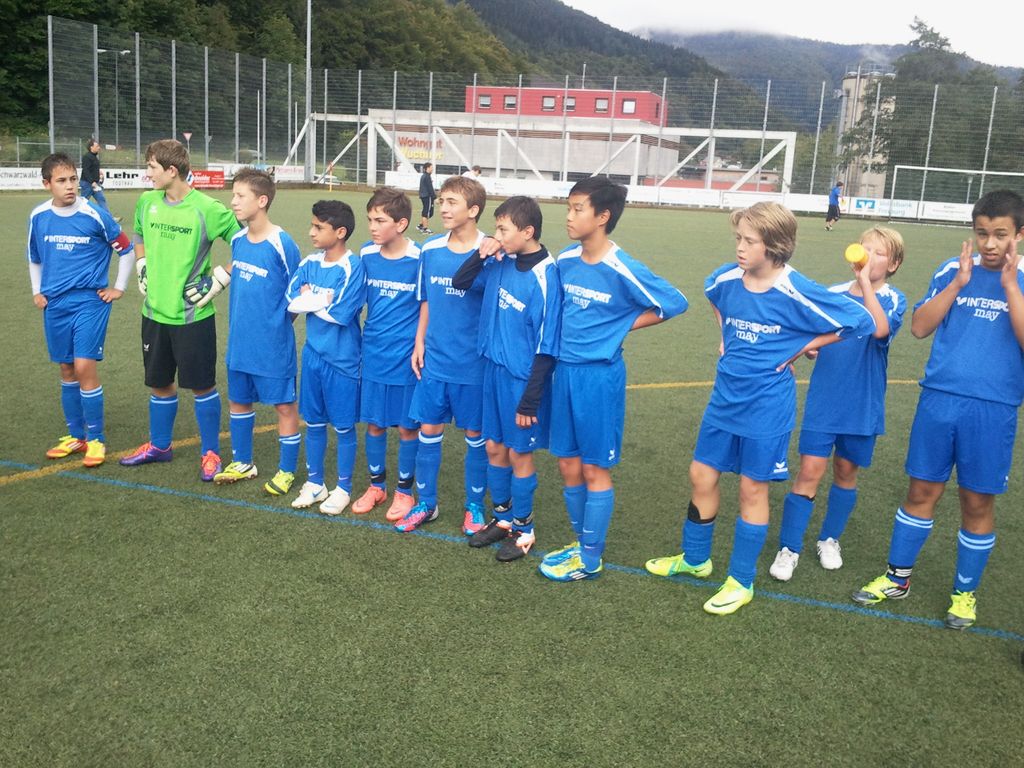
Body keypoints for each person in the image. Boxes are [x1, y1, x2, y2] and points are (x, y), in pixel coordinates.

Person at [644, 202, 875, 613]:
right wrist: (725, 334)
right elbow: (712, 291)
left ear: (775, 246)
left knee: (753, 487)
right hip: (724, 400)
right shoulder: (726, 280)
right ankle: (696, 561)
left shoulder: (795, 289)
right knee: (701, 473)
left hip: (767, 407)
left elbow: (858, 321)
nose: (740, 247)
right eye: (738, 238)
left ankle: (741, 581)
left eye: (749, 241)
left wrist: (805, 344)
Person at [852, 190, 1024, 630]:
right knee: (921, 491)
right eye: (982, 233)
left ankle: (964, 594)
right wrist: (957, 285)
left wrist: (1008, 286)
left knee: (976, 501)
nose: (989, 244)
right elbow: (920, 327)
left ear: (1019, 235)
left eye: (1000, 235)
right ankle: (897, 579)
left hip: (993, 408)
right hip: (939, 400)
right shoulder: (953, 270)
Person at [540, 177, 688, 582]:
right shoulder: (566, 261)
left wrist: (620, 328)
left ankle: (591, 557)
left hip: (599, 378)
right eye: (568, 208)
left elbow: (674, 302)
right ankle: (579, 541)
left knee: (593, 470)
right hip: (564, 375)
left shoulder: (621, 266)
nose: (569, 217)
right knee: (568, 465)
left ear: (602, 216)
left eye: (578, 209)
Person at [768, 227, 906, 581]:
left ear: (893, 264)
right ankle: (789, 548)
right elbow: (809, 330)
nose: (868, 256)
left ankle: (829, 539)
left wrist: (864, 287)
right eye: (864, 248)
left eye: (878, 253)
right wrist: (809, 346)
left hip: (862, 406)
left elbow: (879, 329)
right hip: (824, 403)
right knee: (809, 472)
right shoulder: (831, 294)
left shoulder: (892, 299)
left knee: (846, 473)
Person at [119, 139, 240, 480]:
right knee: (159, 383)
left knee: (202, 385)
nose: (147, 174)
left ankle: (210, 453)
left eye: (152, 168)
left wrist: (220, 278)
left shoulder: (208, 208)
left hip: (192, 317)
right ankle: (160, 446)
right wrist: (141, 263)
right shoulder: (148, 201)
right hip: (153, 313)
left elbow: (248, 241)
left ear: (172, 171)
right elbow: (138, 233)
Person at [453, 196, 562, 562]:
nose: (495, 235)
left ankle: (524, 528)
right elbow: (460, 281)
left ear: (527, 232)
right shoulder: (502, 261)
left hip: (521, 380)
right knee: (494, 448)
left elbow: (547, 346)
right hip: (492, 372)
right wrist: (481, 253)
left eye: (503, 229)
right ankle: (502, 519)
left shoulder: (546, 275)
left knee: (519, 454)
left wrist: (530, 400)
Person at [27, 153, 134, 468]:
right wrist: (37, 292)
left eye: (73, 179)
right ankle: (75, 436)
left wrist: (119, 287)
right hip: (55, 304)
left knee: (84, 366)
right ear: (47, 184)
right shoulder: (39, 216)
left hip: (90, 301)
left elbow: (126, 249)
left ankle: (96, 439)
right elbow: (35, 257)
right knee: (67, 369)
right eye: (61, 181)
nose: (70, 186)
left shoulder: (95, 214)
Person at [399, 176, 490, 534]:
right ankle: (426, 504)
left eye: (452, 202)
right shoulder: (431, 249)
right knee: (428, 431)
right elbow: (426, 301)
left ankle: (474, 507)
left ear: (474, 210)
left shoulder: (491, 251)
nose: (443, 208)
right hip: (434, 358)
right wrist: (419, 342)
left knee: (476, 437)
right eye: (441, 201)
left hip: (473, 364)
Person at [211, 168, 303, 496]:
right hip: (240, 342)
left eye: (240, 196)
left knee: (284, 406)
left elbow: (298, 291)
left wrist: (277, 325)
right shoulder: (237, 240)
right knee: (238, 401)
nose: (233, 202)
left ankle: (287, 470)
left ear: (261, 200)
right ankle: (243, 462)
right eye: (233, 195)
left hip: (273, 345)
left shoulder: (282, 243)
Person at [286, 200, 366, 514]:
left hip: (343, 360)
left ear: (340, 231)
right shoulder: (309, 262)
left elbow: (342, 314)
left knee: (344, 426)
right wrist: (321, 298)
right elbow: (292, 301)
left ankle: (343, 487)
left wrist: (311, 297)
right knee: (315, 421)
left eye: (319, 227)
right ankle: (315, 483)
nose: (311, 232)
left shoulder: (353, 266)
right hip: (314, 356)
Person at [350, 187, 423, 521]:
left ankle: (405, 492)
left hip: (407, 357)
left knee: (408, 427)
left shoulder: (419, 258)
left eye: (380, 220)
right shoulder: (366, 254)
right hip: (374, 352)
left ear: (402, 224)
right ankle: (376, 486)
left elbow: (427, 305)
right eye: (370, 220)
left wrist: (420, 344)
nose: (373, 227)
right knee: (375, 424)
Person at [79, 139, 117, 218]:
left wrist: (98, 172)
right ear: (91, 147)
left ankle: (108, 218)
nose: (99, 147)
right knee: (83, 202)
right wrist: (92, 182)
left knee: (101, 199)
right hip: (87, 184)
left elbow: (92, 168)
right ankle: (77, 217)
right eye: (97, 146)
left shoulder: (94, 157)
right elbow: (86, 170)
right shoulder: (87, 157)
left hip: (95, 184)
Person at [417, 162, 435, 235]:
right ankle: (425, 229)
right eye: (431, 167)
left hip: (423, 196)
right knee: (427, 212)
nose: (432, 169)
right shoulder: (427, 176)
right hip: (427, 196)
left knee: (427, 212)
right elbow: (430, 188)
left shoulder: (424, 176)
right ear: (428, 168)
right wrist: (434, 197)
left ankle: (421, 225)